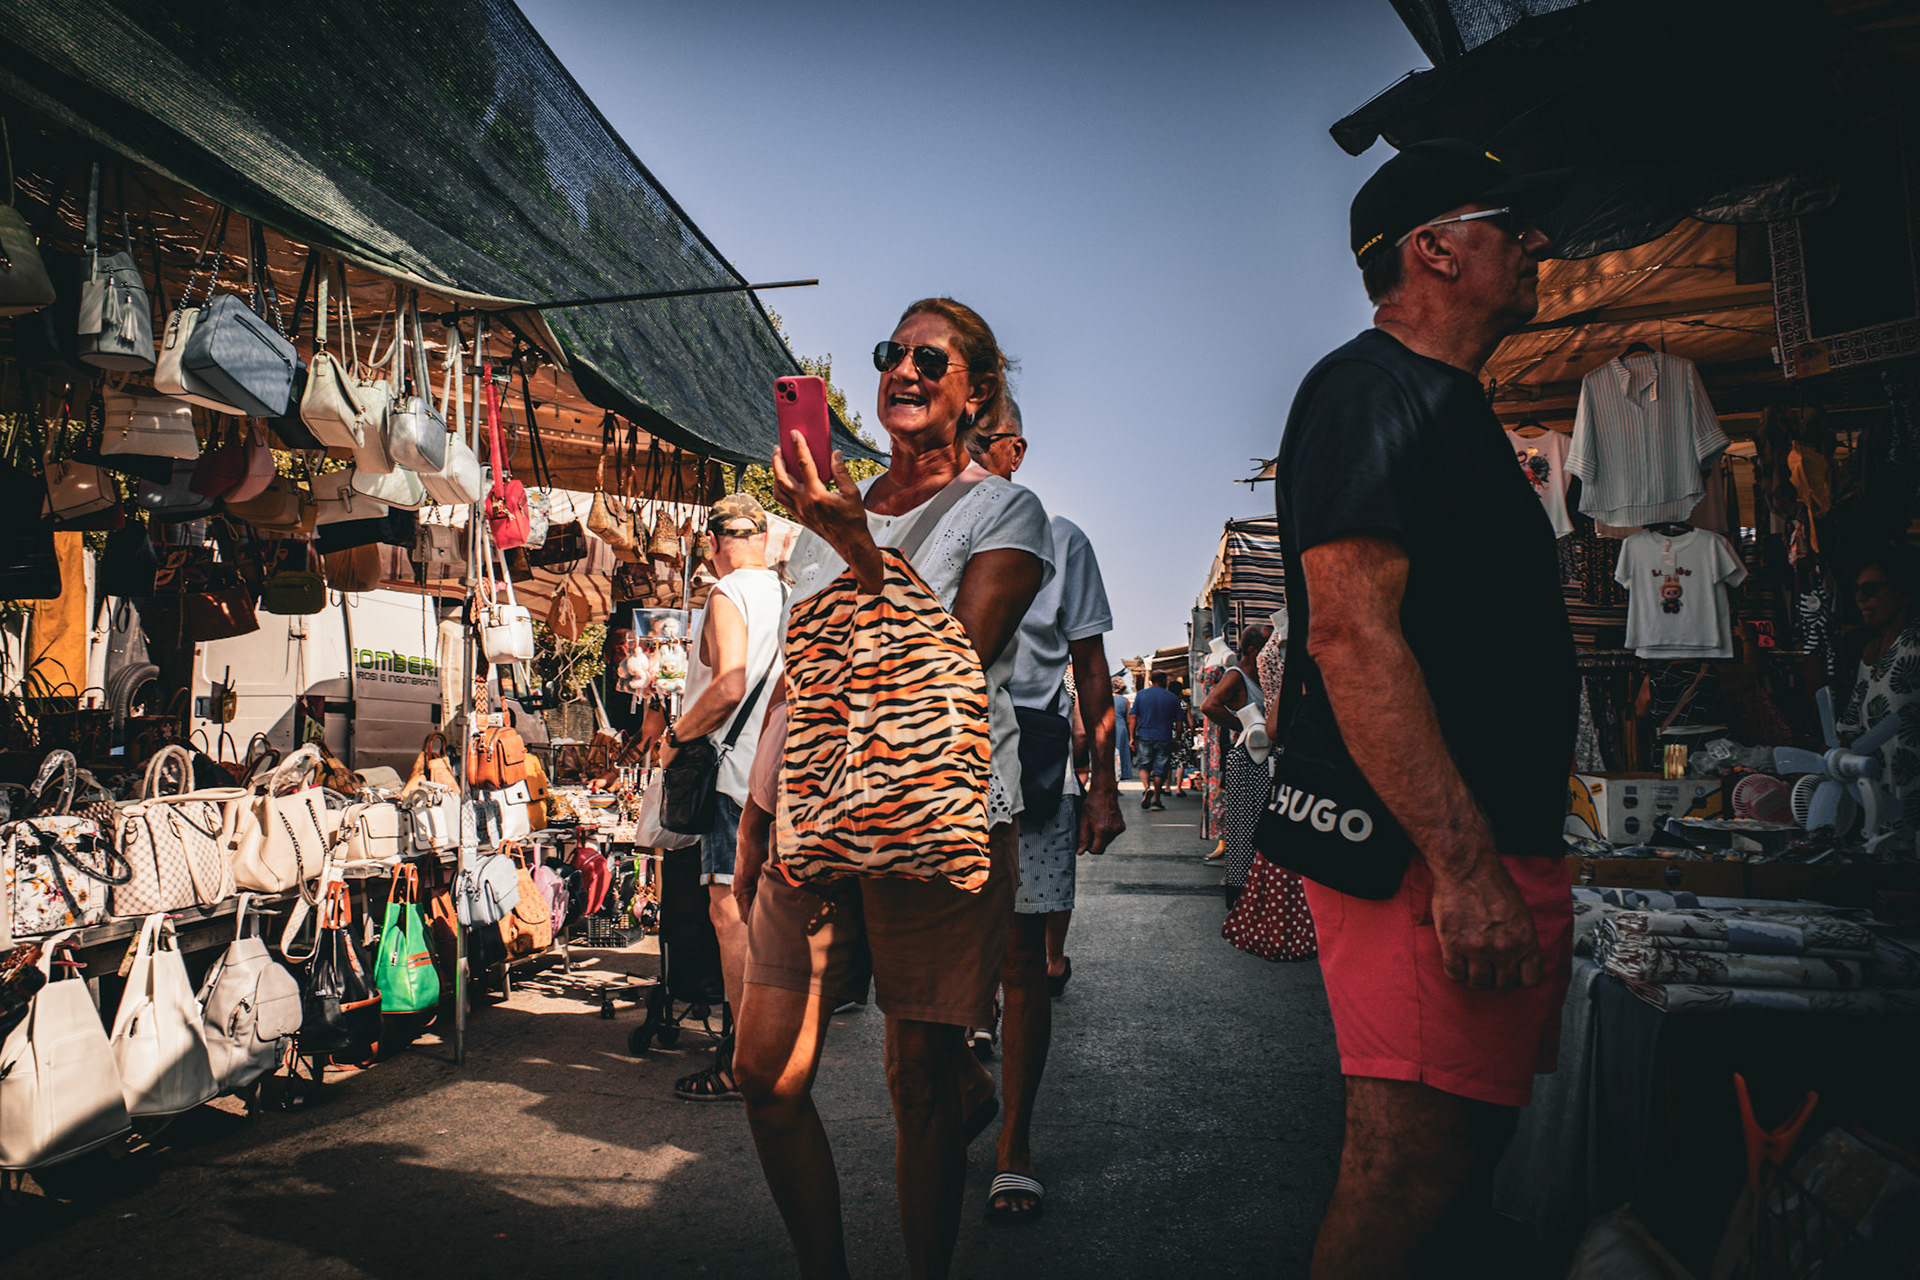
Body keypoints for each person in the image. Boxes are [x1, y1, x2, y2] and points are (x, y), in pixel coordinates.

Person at [1276, 139, 1578, 1278]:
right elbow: (1350, 631)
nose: (1540, 242)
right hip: (1426, 861)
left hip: (1474, 849)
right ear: (1436, 248)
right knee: (1409, 1165)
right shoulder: (1371, 391)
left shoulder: (1444, 404)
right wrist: (1462, 865)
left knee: (1459, 1152)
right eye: (1515, 221)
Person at [735, 297, 1051, 1280]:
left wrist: (860, 544)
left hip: (935, 822)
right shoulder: (825, 516)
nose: (903, 370)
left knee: (916, 1081)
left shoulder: (1007, 510)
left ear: (974, 391)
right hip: (815, 819)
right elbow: (801, 676)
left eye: (931, 358)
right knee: (763, 1071)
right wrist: (754, 815)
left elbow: (960, 655)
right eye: (891, 353)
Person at [969, 396, 1125, 1220]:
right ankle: (964, 1083)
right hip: (937, 770)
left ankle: (1012, 1145)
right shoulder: (923, 527)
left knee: (1023, 962)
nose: (959, 454)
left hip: (1031, 770)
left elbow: (1090, 668)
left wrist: (1102, 782)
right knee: (949, 966)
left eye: (976, 440)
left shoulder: (1063, 541)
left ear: (1014, 449)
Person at [662, 493, 786, 1102]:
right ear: (764, 539)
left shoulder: (727, 593)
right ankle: (775, 1045)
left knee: (729, 915)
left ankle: (743, 1057)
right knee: (772, 918)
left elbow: (728, 684)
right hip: (786, 775)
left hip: (736, 777)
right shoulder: (792, 595)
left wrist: (673, 736)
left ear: (712, 545)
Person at [1836, 554, 1920, 829]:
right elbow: (1852, 725)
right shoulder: (1869, 650)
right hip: (1877, 804)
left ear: (1902, 593)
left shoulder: (1915, 643)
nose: (1860, 598)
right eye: (1857, 590)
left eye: (1870, 590)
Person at [1196, 624, 1270, 905]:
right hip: (1249, 759)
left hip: (1261, 757)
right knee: (1247, 822)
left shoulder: (1259, 673)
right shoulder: (1236, 675)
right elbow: (1209, 706)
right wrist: (1246, 726)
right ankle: (1245, 884)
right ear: (1253, 651)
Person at [1128, 670, 1182, 810]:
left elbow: (1133, 717)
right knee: (1160, 769)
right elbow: (1179, 722)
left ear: (1151, 680)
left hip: (1145, 735)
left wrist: (1132, 737)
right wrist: (1178, 739)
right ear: (1164, 681)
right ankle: (1157, 800)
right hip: (1164, 737)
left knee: (1143, 765)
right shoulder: (1172, 698)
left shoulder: (1141, 695)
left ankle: (1147, 788)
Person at [1113, 677, 1135, 780]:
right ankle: (1118, 779)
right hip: (1121, 728)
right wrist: (1131, 737)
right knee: (1120, 754)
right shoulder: (1125, 700)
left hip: (1109, 728)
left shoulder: (1105, 699)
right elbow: (1129, 719)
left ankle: (1111, 781)